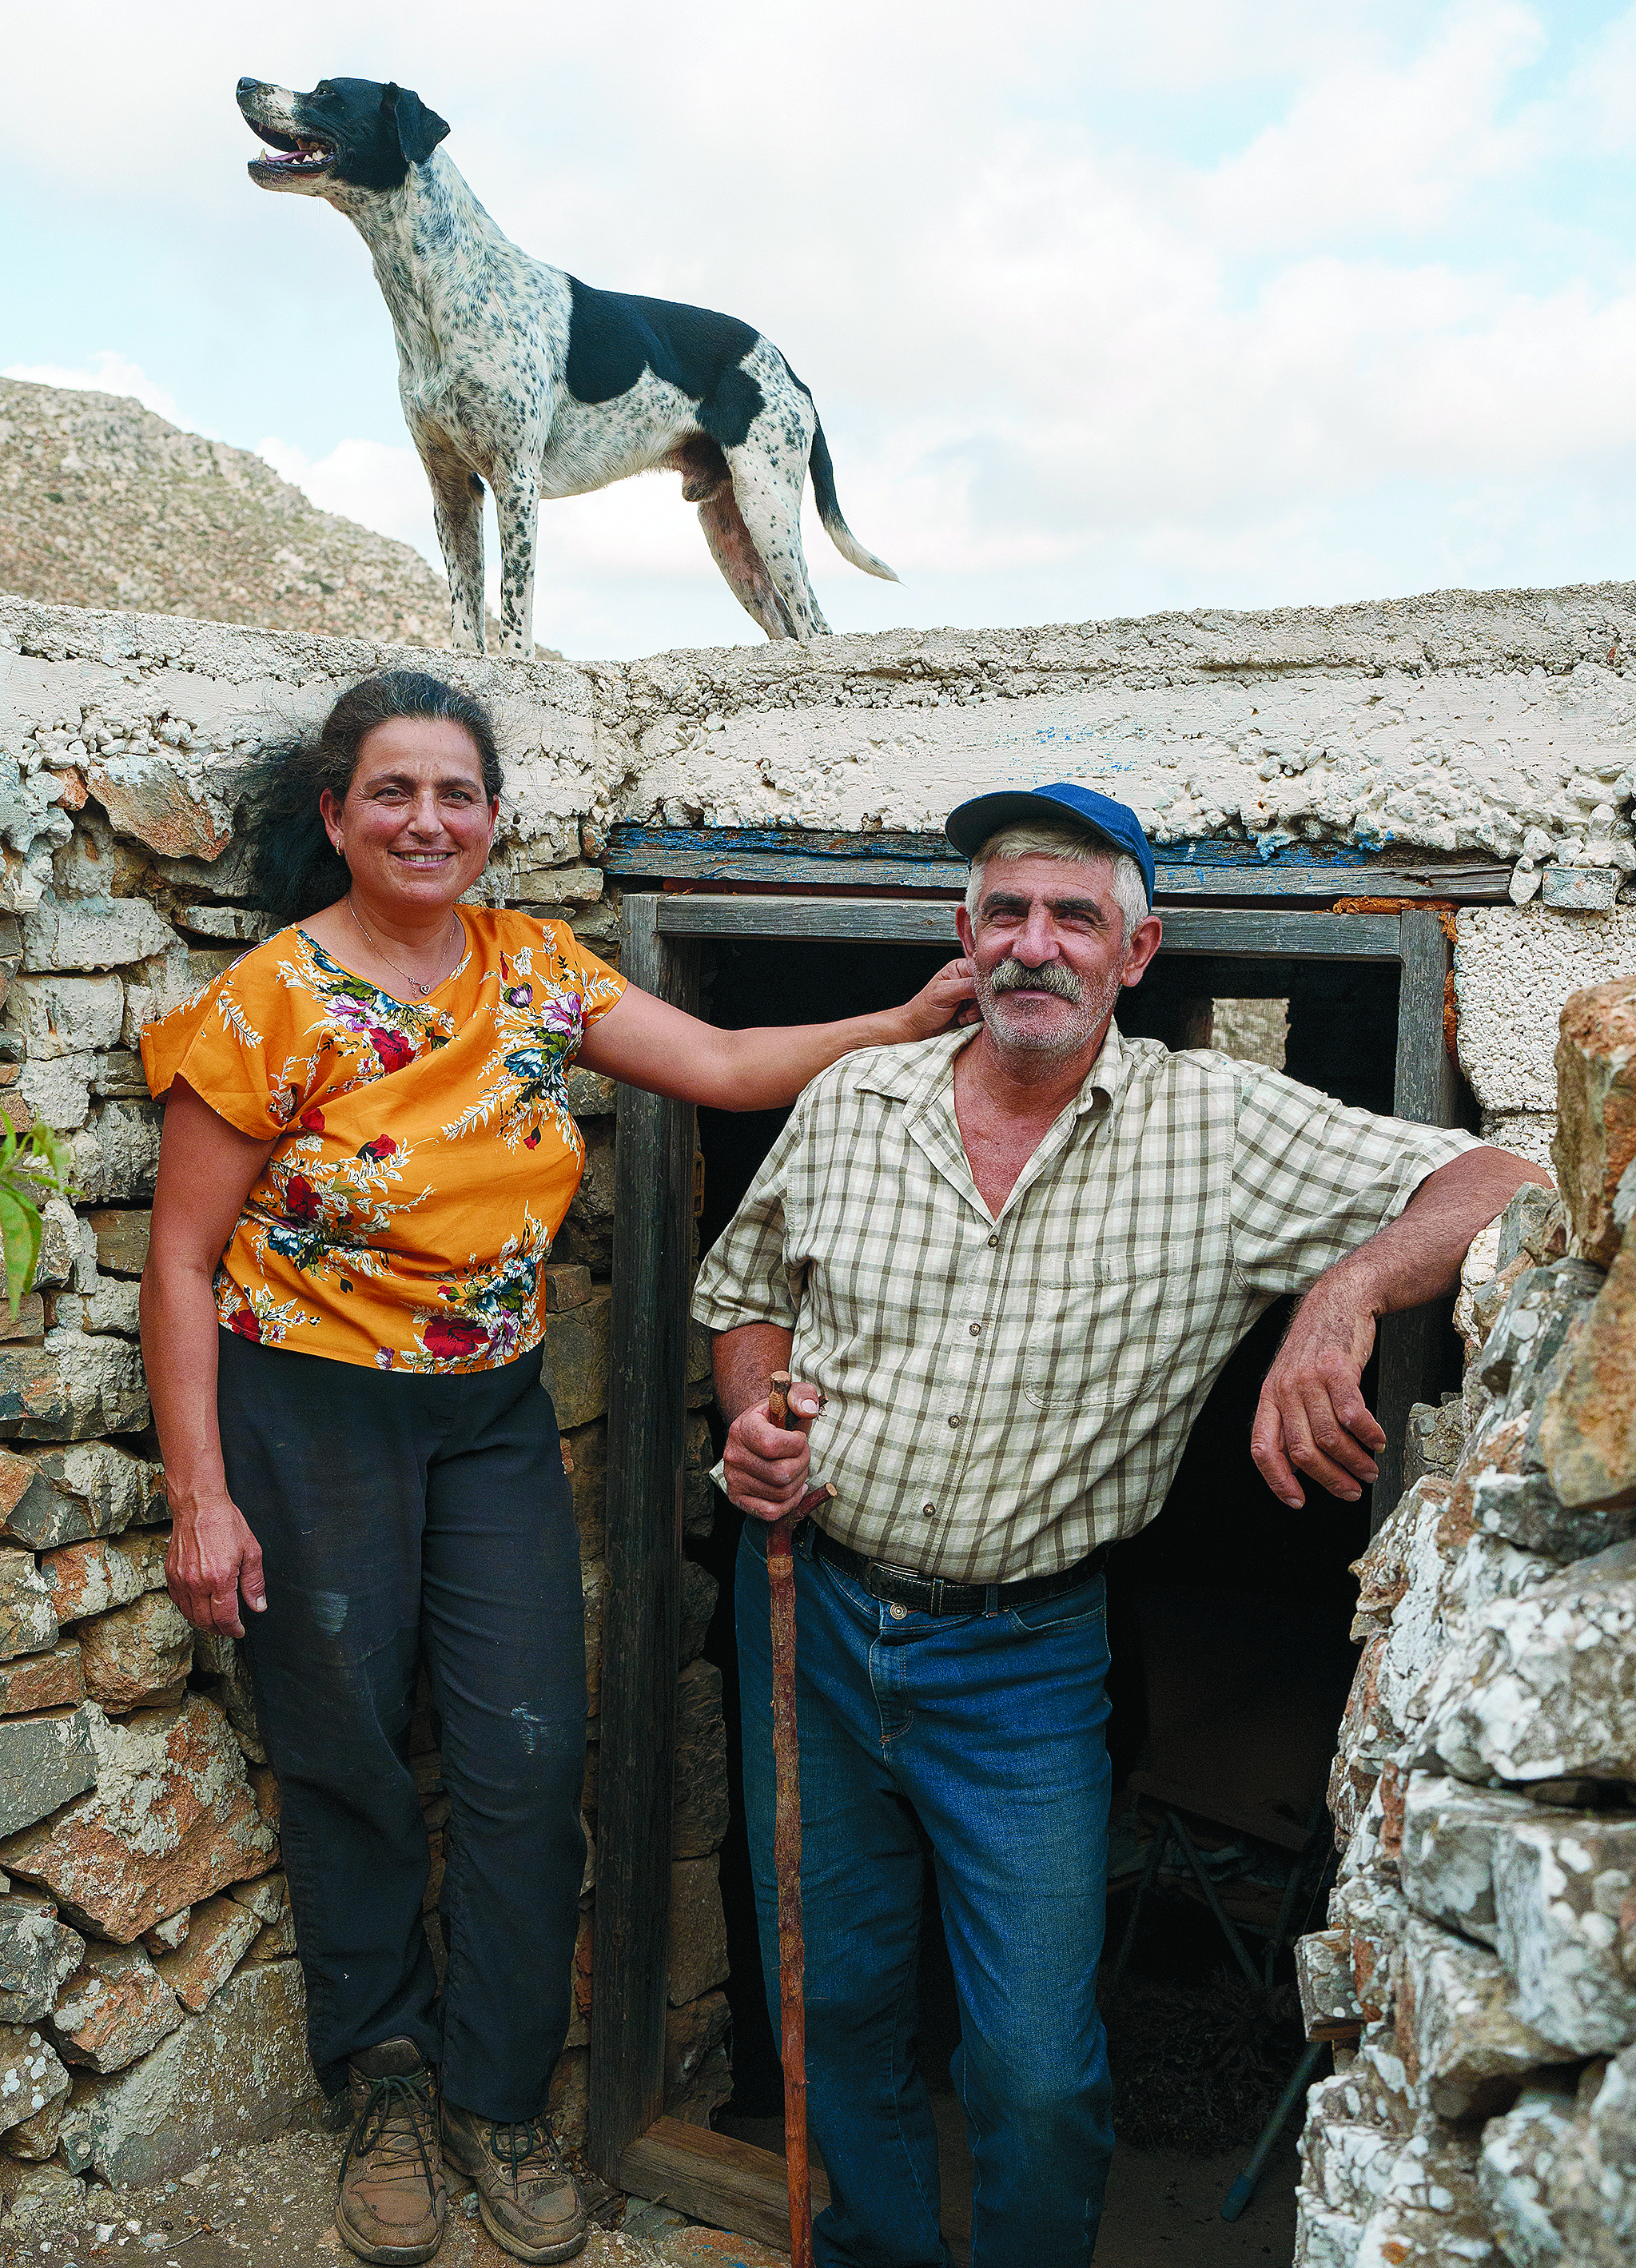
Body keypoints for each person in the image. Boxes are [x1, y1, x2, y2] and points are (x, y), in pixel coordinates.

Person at [137, 669, 973, 2268]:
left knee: (530, 1751)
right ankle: (381, 2080)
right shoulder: (271, 1003)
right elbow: (181, 1263)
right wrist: (202, 1491)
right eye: (393, 791)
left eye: (457, 793)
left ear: (495, 818)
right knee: (351, 1753)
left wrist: (901, 1020)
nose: (428, 820)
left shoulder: (534, 968)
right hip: (306, 1413)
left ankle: (498, 2098)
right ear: (337, 816)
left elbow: (722, 1063)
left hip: (490, 1411)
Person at [693, 779, 1547, 2268]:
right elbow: (747, 1291)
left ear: (1133, 951)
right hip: (812, 1618)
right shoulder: (851, 1101)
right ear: (962, 936)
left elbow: (1500, 1175)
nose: (1036, 945)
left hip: (1022, 1661)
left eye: (1072, 916)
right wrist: (751, 1422)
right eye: (1007, 912)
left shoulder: (1213, 1124)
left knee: (1030, 2065)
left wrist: (1337, 1292)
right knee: (826, 2009)